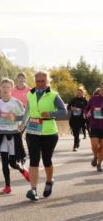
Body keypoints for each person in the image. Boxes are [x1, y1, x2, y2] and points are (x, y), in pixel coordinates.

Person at [22, 69, 68, 200]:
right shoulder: (30, 94)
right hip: (32, 131)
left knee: (47, 160)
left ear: (48, 81)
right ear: (34, 81)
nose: (40, 83)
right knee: (34, 160)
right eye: (38, 81)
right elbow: (27, 111)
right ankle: (33, 190)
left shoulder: (53, 95)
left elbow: (63, 111)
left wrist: (50, 114)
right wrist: (22, 124)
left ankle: (49, 181)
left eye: (43, 81)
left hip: (49, 132)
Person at [0, 78, 29, 194]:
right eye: (3, 87)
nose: (5, 89)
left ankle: (22, 169)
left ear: (11, 89)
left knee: (12, 163)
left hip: (13, 134)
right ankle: (7, 187)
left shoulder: (16, 102)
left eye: (8, 87)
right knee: (3, 162)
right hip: (2, 134)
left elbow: (24, 116)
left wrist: (15, 118)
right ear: (0, 89)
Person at [85, 83, 103, 172]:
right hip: (94, 125)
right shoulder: (93, 98)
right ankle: (95, 156)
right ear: (100, 88)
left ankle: (99, 164)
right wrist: (88, 113)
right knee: (95, 145)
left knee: (102, 147)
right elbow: (87, 109)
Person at [67, 86, 89, 151]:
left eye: (80, 92)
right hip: (73, 119)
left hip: (81, 119)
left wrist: (80, 110)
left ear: (83, 93)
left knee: (77, 133)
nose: (79, 94)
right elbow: (68, 107)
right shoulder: (73, 100)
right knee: (75, 133)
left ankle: (75, 146)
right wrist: (72, 108)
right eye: (78, 92)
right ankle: (77, 140)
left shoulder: (85, 101)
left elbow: (88, 109)